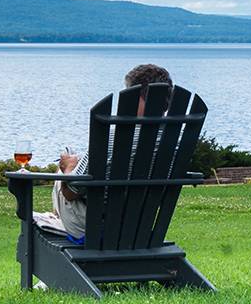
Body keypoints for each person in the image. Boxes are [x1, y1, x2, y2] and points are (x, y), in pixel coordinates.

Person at [48, 64, 173, 243]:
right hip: (139, 226)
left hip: (95, 227)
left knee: (63, 173)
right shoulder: (175, 138)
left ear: (137, 97)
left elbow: (71, 192)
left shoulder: (113, 136)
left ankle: (57, 222)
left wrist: (68, 168)